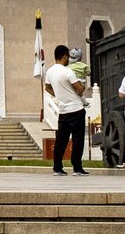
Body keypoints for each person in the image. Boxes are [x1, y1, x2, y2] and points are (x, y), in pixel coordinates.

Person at [43, 44, 87, 175]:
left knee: (61, 140)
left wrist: (58, 94)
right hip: (76, 109)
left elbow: (47, 88)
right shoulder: (68, 71)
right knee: (78, 139)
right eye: (68, 56)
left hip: (63, 111)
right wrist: (82, 84)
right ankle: (77, 168)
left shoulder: (50, 72)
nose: (69, 59)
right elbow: (79, 89)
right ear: (64, 56)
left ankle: (57, 167)